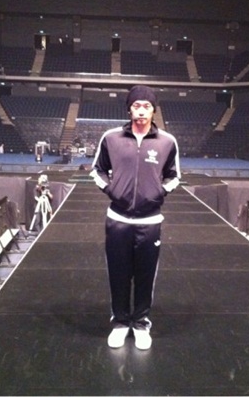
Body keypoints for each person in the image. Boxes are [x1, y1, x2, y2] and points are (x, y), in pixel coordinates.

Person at [90, 85, 181, 350]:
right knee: (118, 275)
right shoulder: (111, 138)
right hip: (118, 220)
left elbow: (174, 176)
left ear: (154, 110)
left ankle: (141, 324)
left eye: (147, 106)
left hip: (150, 222)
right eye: (136, 106)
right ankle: (120, 323)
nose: (141, 111)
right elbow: (97, 170)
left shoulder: (167, 141)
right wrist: (112, 191)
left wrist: (158, 193)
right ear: (129, 109)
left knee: (145, 276)